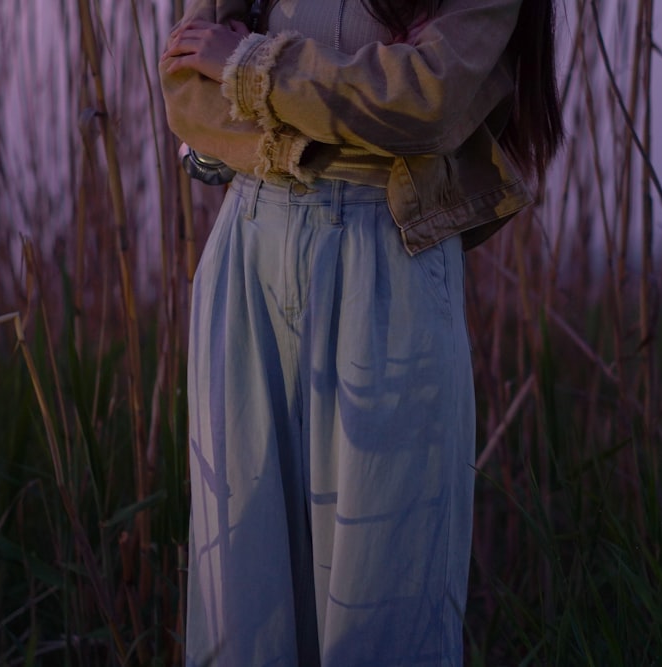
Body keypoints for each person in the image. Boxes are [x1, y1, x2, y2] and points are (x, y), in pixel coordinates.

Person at [159, 0, 563, 664]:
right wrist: (332, 106)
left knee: (384, 598)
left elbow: (419, 104)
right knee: (244, 605)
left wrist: (248, 64)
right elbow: (184, 83)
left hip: (384, 265)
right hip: (248, 255)